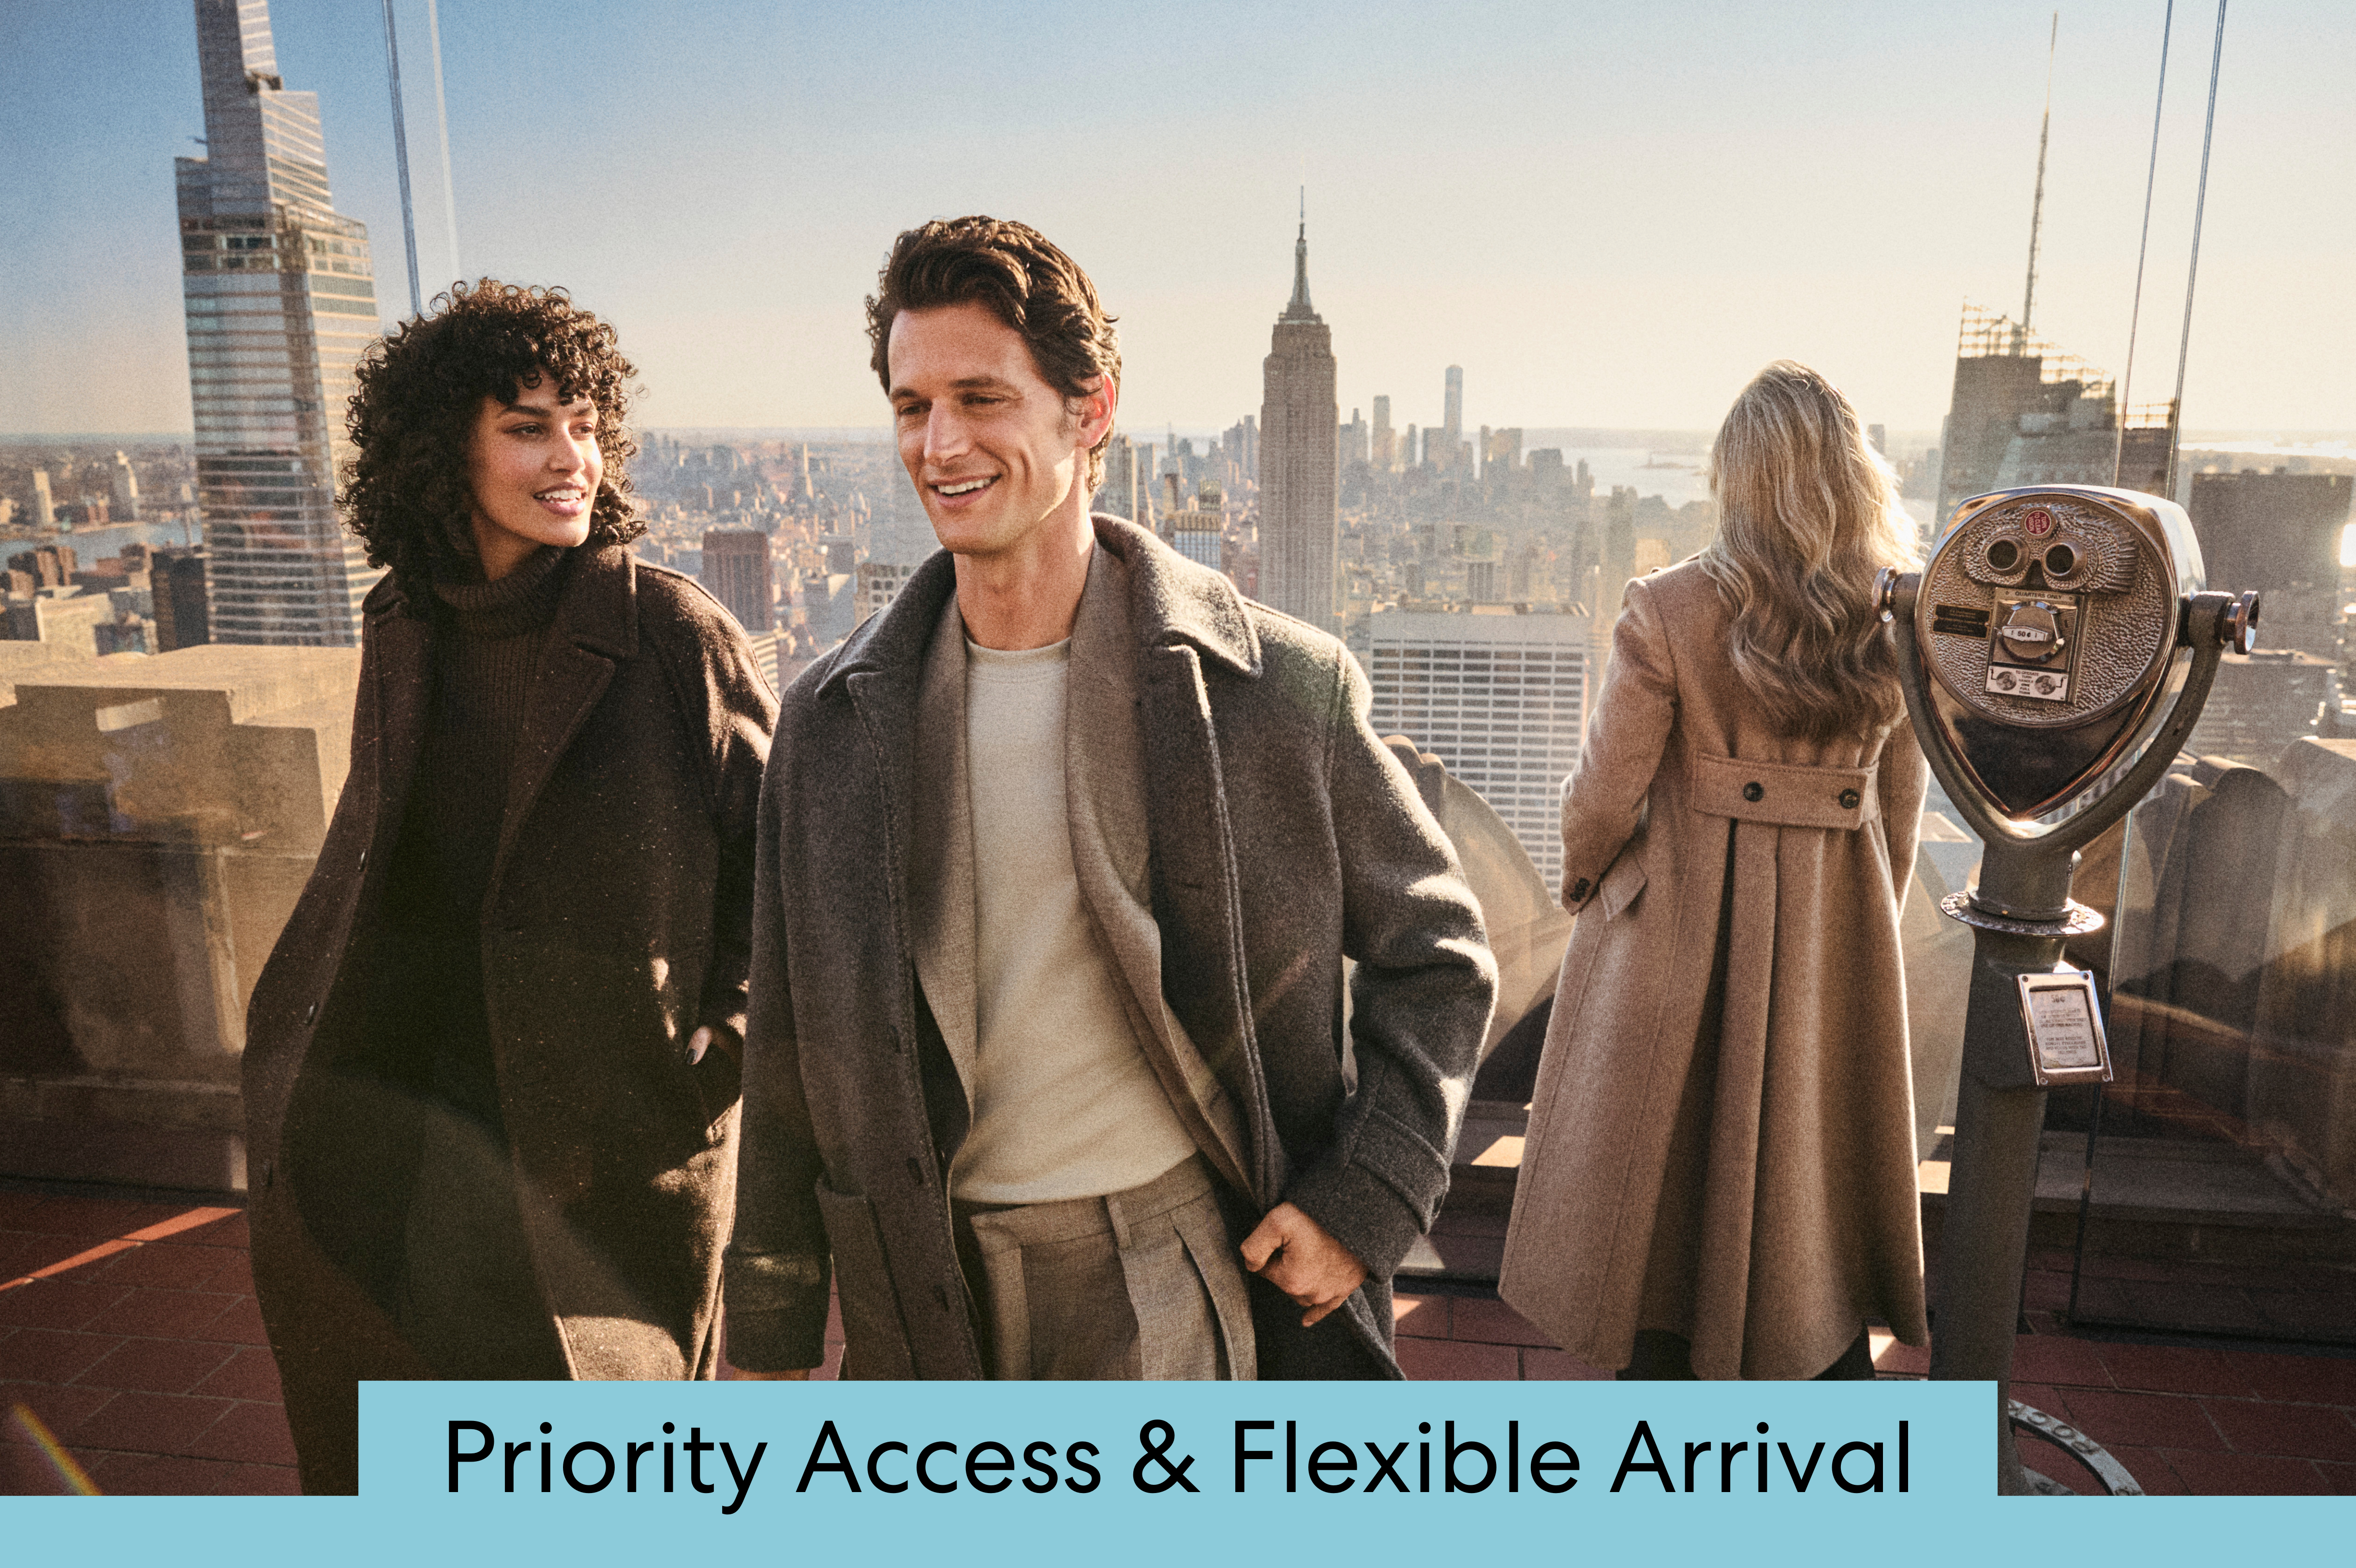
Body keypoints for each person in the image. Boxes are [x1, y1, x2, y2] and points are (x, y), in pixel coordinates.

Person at [724, 217, 1494, 1382]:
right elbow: (787, 1051)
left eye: (982, 398)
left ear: (1089, 414)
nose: (939, 444)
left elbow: (1438, 953)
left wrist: (1365, 1197)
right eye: (910, 405)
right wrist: (769, 1338)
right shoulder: (830, 726)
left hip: (1167, 1274)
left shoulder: (1273, 686)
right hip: (919, 1298)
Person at [240, 281, 775, 1491]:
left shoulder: (669, 634)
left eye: (583, 423)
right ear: (447, 455)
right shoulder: (404, 621)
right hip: (408, 1118)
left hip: (597, 1135)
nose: (570, 456)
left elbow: (780, 857)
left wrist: (728, 1031)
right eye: (528, 427)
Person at [1498, 360, 1930, 1381]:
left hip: (1673, 940)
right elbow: (1898, 810)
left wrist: (1588, 888)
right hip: (1833, 937)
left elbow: (1602, 798)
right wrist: (1858, 917)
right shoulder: (1897, 615)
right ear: (1851, 473)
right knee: (1799, 1184)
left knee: (1656, 1186)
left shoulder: (1666, 606)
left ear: (1730, 478)